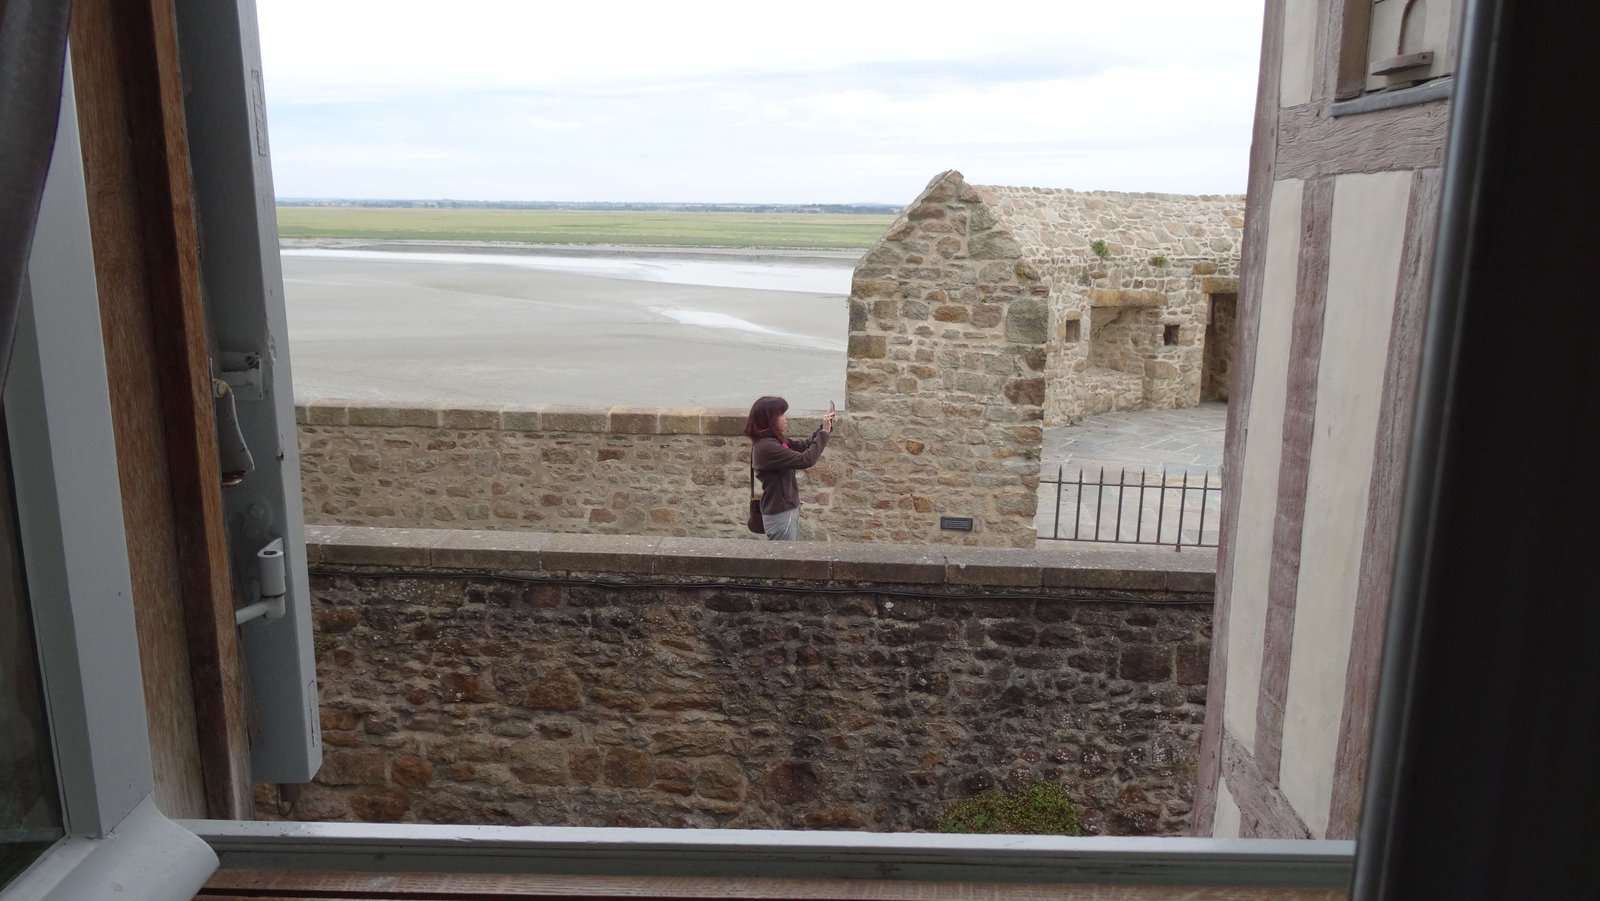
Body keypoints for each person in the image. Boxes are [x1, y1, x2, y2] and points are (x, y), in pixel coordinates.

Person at [743, 396, 836, 541]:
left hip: (785, 510)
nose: (786, 418)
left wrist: (824, 428)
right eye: (781, 414)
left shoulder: (773, 441)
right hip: (780, 514)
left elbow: (804, 446)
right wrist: (823, 432)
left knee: (787, 557)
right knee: (784, 559)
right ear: (770, 419)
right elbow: (807, 459)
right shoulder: (767, 447)